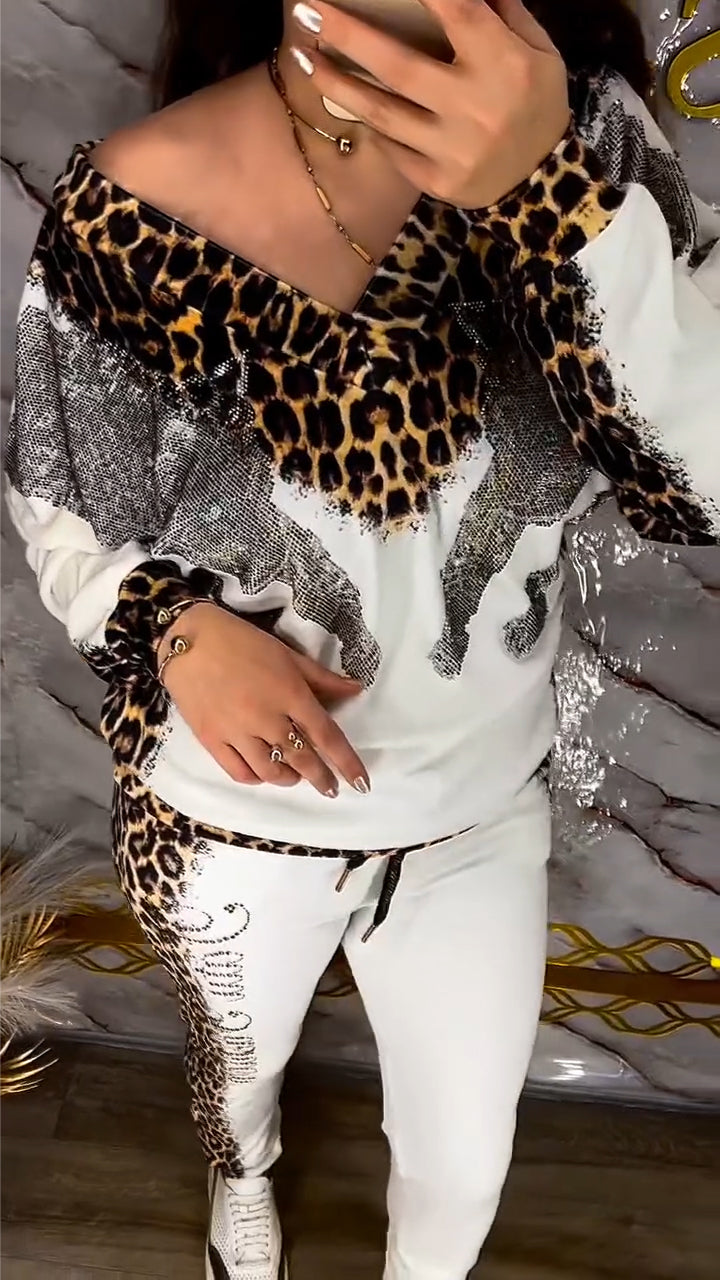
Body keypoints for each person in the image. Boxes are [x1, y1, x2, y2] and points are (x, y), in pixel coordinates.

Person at [6, 0, 719, 1275]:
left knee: (464, 1163)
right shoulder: (136, 194)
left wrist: (552, 201)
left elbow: (703, 487)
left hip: (476, 811)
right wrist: (171, 627)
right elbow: (62, 499)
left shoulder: (595, 144)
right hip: (221, 809)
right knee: (237, 1073)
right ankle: (243, 1179)